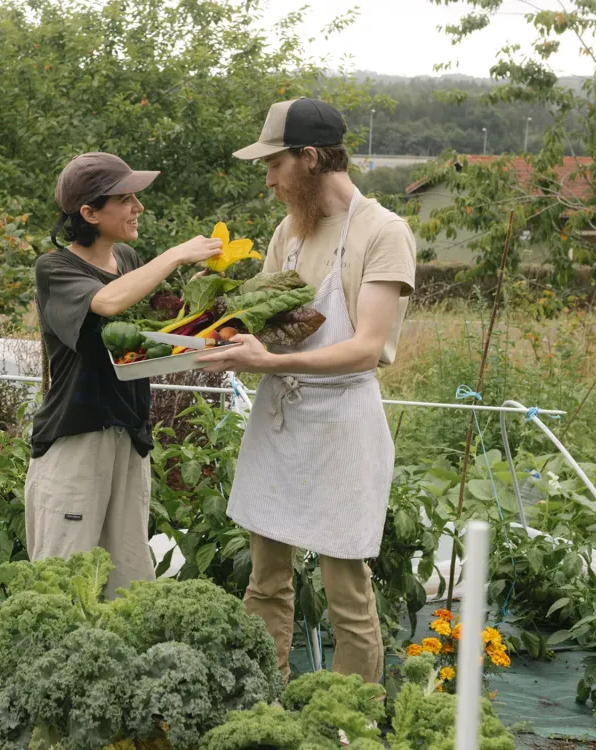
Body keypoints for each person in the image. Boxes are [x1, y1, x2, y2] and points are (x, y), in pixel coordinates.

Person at [198, 98, 416, 683]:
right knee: (265, 580)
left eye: (275, 164)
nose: (268, 180)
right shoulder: (289, 232)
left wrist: (265, 358)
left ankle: (350, 721)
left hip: (342, 423)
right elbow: (267, 326)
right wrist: (214, 322)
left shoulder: (382, 232)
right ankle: (261, 700)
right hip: (281, 420)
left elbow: (367, 347)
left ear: (310, 158)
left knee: (346, 589)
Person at [26, 152, 221, 597]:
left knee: (128, 578)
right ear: (90, 213)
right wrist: (174, 255)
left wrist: (210, 310)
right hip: (77, 436)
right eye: (127, 198)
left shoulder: (129, 258)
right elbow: (108, 304)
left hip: (130, 433)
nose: (139, 208)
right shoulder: (56, 268)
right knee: (65, 579)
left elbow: (156, 330)